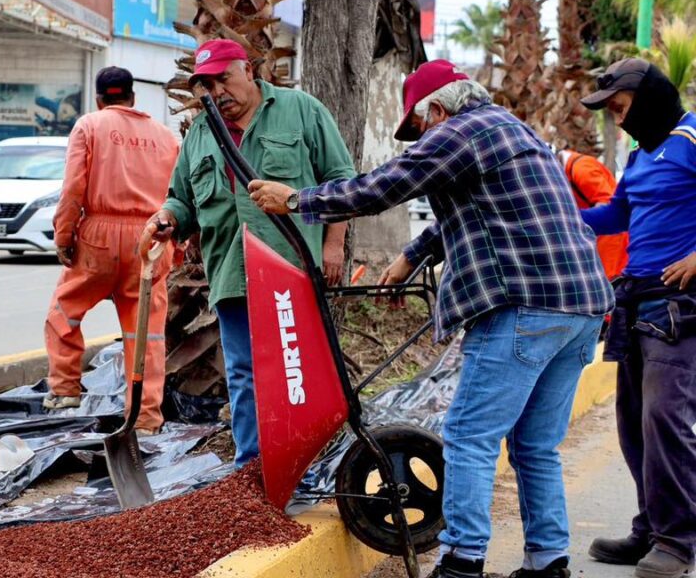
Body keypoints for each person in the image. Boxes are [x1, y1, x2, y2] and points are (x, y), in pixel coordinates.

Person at [245, 59, 612, 578]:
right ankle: (548, 562)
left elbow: (382, 187)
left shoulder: (457, 131)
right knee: (535, 445)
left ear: (436, 109)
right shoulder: (512, 131)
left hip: (523, 306)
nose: (417, 142)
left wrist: (298, 199)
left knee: (467, 435)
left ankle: (462, 561)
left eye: (416, 129)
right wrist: (412, 255)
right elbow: (476, 208)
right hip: (583, 307)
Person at [140, 39, 356, 466]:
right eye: (207, 84)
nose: (218, 91)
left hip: (290, 271)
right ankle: (253, 466)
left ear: (249, 71)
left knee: (296, 374)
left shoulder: (301, 110)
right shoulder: (202, 132)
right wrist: (166, 218)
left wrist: (333, 247)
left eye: (225, 77)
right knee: (242, 374)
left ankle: (302, 465)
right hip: (231, 273)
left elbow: (341, 182)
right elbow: (182, 199)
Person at [579, 57, 696, 578]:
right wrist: (560, 215)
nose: (620, 120)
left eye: (623, 109)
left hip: (682, 306)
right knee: (633, 424)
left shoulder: (692, 138)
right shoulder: (641, 152)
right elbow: (619, 214)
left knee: (664, 419)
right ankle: (650, 528)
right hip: (636, 302)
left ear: (647, 100)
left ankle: (678, 539)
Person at [43, 67, 180, 435]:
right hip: (152, 236)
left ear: (100, 99)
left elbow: (73, 187)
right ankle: (147, 418)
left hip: (99, 237)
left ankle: (65, 390)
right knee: (147, 334)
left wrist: (64, 237)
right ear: (133, 98)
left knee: (65, 311)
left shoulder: (90, 125)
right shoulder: (165, 137)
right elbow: (181, 195)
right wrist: (176, 247)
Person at [558, 146, 629, 280]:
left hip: (611, 242)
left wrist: (569, 219)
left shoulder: (581, 169)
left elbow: (608, 204)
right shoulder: (570, 170)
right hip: (600, 237)